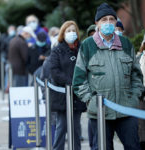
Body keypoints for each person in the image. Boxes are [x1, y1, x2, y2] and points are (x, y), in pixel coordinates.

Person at [72, 3, 143, 150]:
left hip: (126, 110)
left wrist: (134, 97)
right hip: (100, 113)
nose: (108, 22)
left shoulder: (126, 44)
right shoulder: (87, 45)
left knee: (134, 147)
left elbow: (137, 75)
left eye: (112, 19)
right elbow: (78, 81)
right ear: (97, 23)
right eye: (104, 19)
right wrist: (91, 101)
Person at [49, 21, 86, 150]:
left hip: (77, 95)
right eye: (68, 30)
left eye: (73, 30)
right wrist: (71, 81)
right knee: (61, 127)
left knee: (76, 129)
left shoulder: (82, 48)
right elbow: (54, 71)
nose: (71, 33)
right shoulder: (57, 50)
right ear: (63, 33)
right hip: (62, 96)